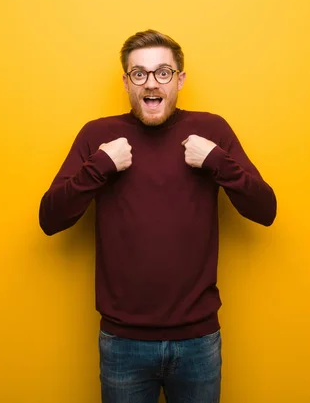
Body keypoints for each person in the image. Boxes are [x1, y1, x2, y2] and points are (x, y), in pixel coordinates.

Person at [39, 29, 277, 403]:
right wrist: (99, 166)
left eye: (163, 72)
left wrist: (217, 162)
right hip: (123, 344)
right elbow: (50, 219)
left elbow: (266, 210)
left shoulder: (211, 130)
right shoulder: (98, 136)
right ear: (126, 81)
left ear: (180, 79)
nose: (151, 83)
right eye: (140, 74)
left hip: (199, 342)